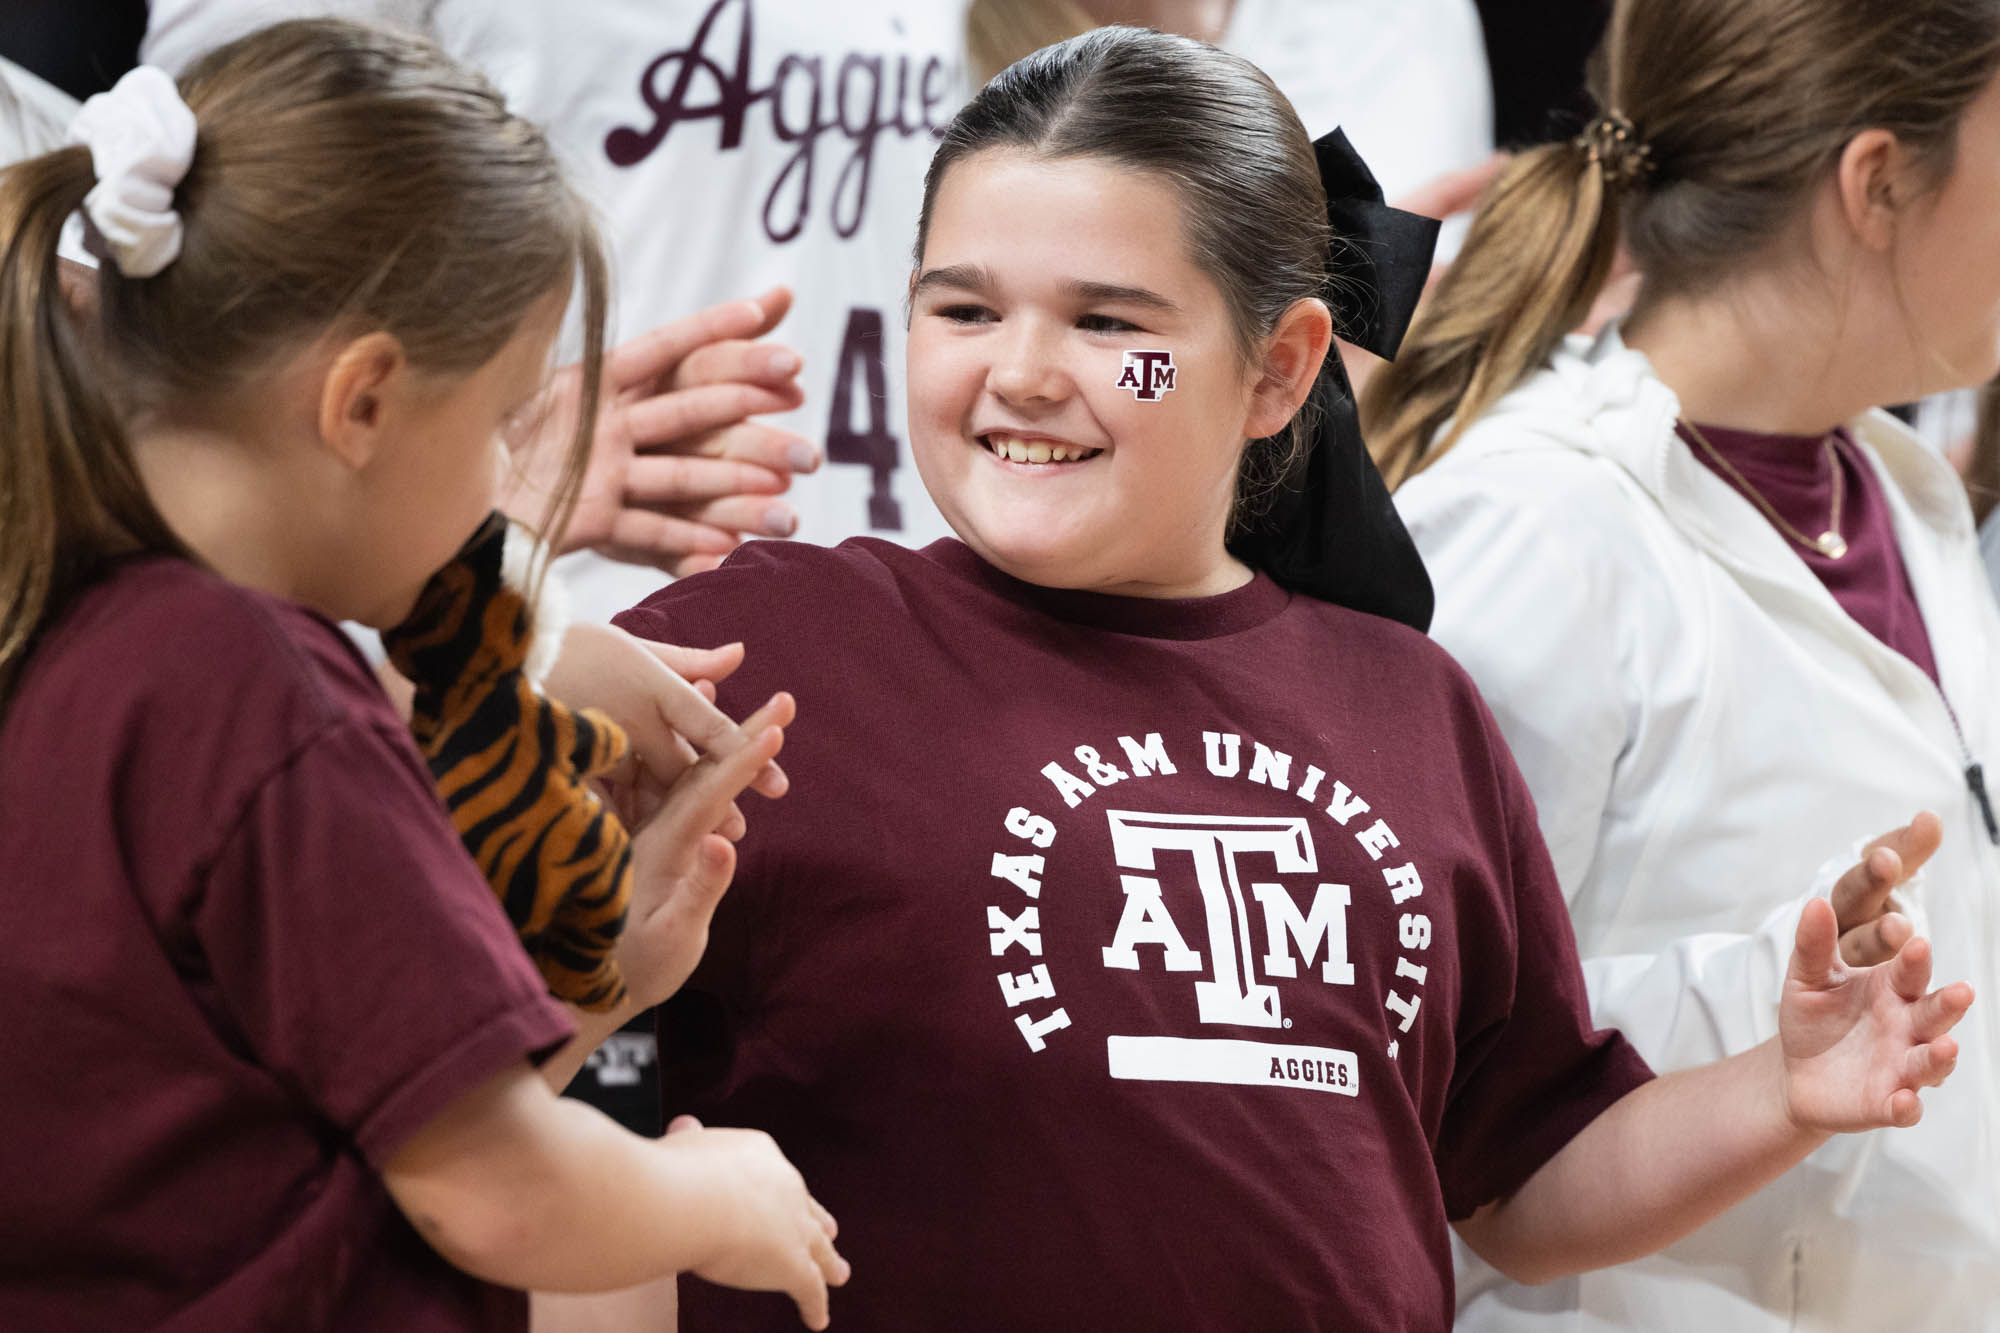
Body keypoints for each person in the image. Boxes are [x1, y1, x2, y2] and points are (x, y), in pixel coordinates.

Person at [608, 28, 1971, 1330]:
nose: (1020, 371)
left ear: (1278, 367)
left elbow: (1515, 1174)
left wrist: (1782, 1087)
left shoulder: (1413, 703)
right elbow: (450, 954)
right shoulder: (773, 648)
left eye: (1107, 322)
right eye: (963, 307)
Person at [0, 22, 849, 1330]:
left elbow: (347, 1130)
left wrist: (595, 972)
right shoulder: (263, 702)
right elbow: (494, 1192)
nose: (511, 481)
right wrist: (714, 1189)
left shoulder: (73, 626)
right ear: (364, 404)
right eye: (509, 422)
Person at [1363, 0, 2000, 1327]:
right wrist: (1777, 986)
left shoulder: (1904, 492)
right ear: (1878, 182)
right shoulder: (1537, 528)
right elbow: (1427, 1077)